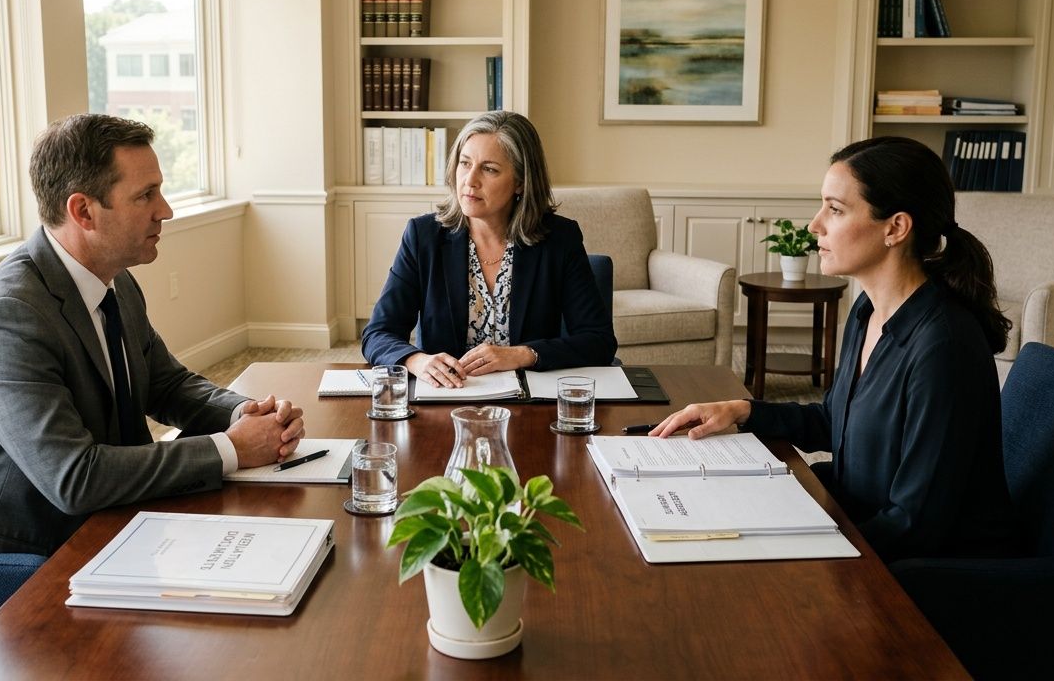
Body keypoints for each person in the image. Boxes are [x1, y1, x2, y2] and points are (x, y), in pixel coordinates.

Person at [0, 114, 304, 556]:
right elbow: (74, 477)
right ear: (83, 212)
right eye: (146, 195)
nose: (166, 210)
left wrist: (245, 413)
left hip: (107, 515)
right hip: (17, 554)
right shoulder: (6, 317)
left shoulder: (114, 279)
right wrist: (230, 449)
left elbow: (166, 384)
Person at [651, 136, 1015, 561]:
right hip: (861, 525)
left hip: (921, 572)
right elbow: (835, 421)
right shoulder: (867, 310)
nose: (815, 225)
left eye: (835, 209)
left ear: (895, 228)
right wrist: (742, 410)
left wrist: (799, 551)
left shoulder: (944, 346)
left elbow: (915, 524)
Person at [362, 111, 616, 387]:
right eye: (465, 163)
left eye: (489, 169)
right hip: (448, 396)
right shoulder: (423, 236)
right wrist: (416, 360)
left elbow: (599, 341)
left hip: (529, 397)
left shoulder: (560, 239)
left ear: (520, 181)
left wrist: (522, 355)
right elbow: (378, 334)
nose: (470, 180)